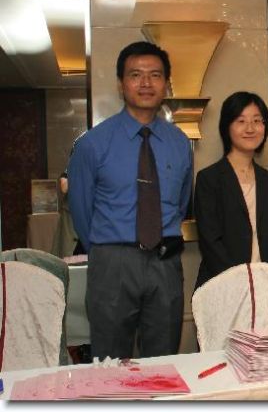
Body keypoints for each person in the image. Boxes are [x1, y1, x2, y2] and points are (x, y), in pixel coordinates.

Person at [68, 41, 192, 360]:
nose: (146, 83)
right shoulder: (92, 144)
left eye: (155, 75)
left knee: (163, 361)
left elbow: (180, 203)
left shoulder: (180, 144)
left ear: (166, 84)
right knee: (110, 361)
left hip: (165, 262)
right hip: (112, 261)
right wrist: (109, 252)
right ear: (121, 84)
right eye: (136, 75)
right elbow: (81, 211)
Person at [194, 91, 268, 290]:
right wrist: (238, 281)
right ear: (227, 126)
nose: (250, 128)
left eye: (257, 121)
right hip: (223, 286)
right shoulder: (209, 179)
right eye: (241, 121)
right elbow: (210, 242)